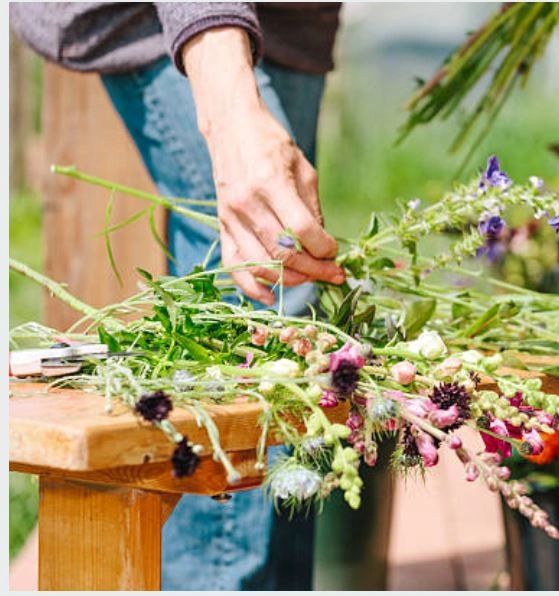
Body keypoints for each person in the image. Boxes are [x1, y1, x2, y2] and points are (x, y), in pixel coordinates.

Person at [11, 3, 346, 590]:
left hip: (289, 19)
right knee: (263, 308)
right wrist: (229, 105)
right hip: (169, 15)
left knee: (299, 334)